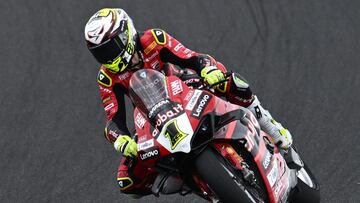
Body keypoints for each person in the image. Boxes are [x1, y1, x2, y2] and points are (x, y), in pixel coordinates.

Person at [84, 8, 293, 194]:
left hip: (183, 85)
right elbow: (114, 120)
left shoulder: (153, 39)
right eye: (100, 54)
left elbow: (193, 57)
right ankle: (193, 179)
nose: (107, 58)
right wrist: (121, 140)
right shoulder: (107, 77)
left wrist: (208, 69)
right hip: (152, 115)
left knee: (232, 83)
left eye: (110, 48)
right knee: (127, 180)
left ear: (125, 35)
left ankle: (269, 124)